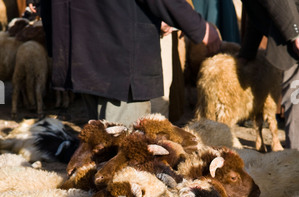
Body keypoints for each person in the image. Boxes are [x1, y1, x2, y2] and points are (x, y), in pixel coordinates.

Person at [39, 0, 221, 126]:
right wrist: (200, 28)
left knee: (100, 144)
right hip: (120, 60)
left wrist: (59, 48)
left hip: (81, 54)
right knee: (123, 154)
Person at [240, 0, 299, 149]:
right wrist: (247, 53)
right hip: (290, 28)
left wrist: (295, 34)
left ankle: (296, 156)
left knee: (295, 95)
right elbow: (258, 14)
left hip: (294, 28)